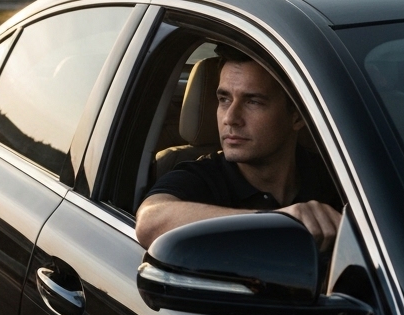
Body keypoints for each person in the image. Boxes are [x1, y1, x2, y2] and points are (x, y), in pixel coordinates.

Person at [135, 48, 343, 250]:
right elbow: (148, 221)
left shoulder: (337, 179)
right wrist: (279, 222)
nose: (230, 118)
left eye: (253, 101)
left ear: (296, 116)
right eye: (224, 100)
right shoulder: (201, 177)